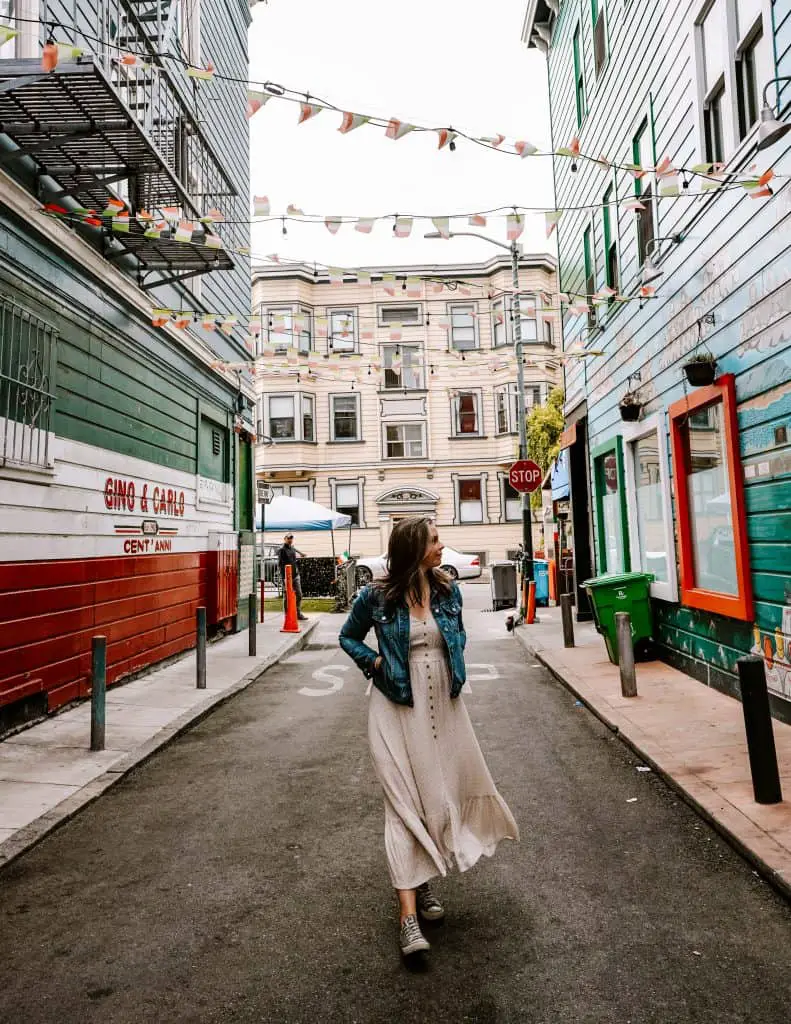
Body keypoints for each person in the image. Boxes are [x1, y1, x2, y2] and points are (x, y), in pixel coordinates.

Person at [339, 516, 518, 958]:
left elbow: (457, 639)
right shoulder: (376, 596)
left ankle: (423, 885)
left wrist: (452, 662)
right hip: (396, 703)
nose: (442, 546)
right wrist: (375, 664)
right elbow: (348, 637)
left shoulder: (446, 590)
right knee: (402, 804)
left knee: (437, 794)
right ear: (414, 547)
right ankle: (407, 918)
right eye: (435, 540)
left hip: (444, 701)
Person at [277, 533, 308, 621]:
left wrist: (301, 554)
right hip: (287, 576)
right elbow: (280, 565)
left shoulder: (292, 548)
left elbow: (294, 556)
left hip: (295, 575)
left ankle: (298, 613)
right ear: (285, 539)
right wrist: (284, 577)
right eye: (288, 538)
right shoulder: (282, 550)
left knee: (299, 594)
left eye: (291, 538)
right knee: (287, 595)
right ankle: (287, 615)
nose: (290, 540)